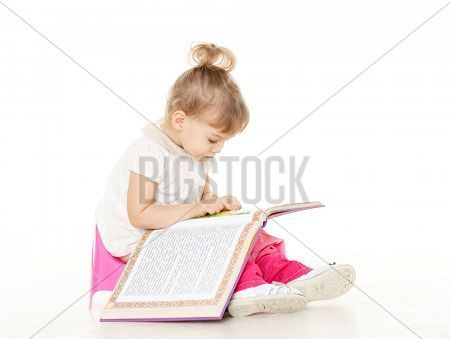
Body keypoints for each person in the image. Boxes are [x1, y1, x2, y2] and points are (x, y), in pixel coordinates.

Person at [94, 41, 355, 318]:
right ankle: (246, 287)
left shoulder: (195, 151)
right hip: (138, 242)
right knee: (220, 245)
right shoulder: (149, 151)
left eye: (223, 142)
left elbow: (203, 198)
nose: (217, 149)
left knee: (246, 232)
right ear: (180, 120)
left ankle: (287, 273)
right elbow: (141, 215)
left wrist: (217, 205)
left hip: (171, 228)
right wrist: (197, 210)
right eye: (213, 139)